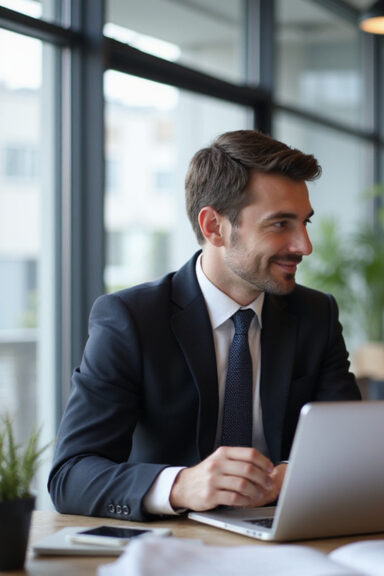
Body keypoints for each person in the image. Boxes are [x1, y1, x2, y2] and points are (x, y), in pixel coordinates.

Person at [48, 130, 361, 521]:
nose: (304, 245)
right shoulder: (130, 319)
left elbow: (352, 452)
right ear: (214, 226)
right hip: (170, 547)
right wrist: (182, 485)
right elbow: (71, 474)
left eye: (304, 222)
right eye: (281, 224)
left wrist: (291, 476)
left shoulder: (317, 315)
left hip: (286, 536)